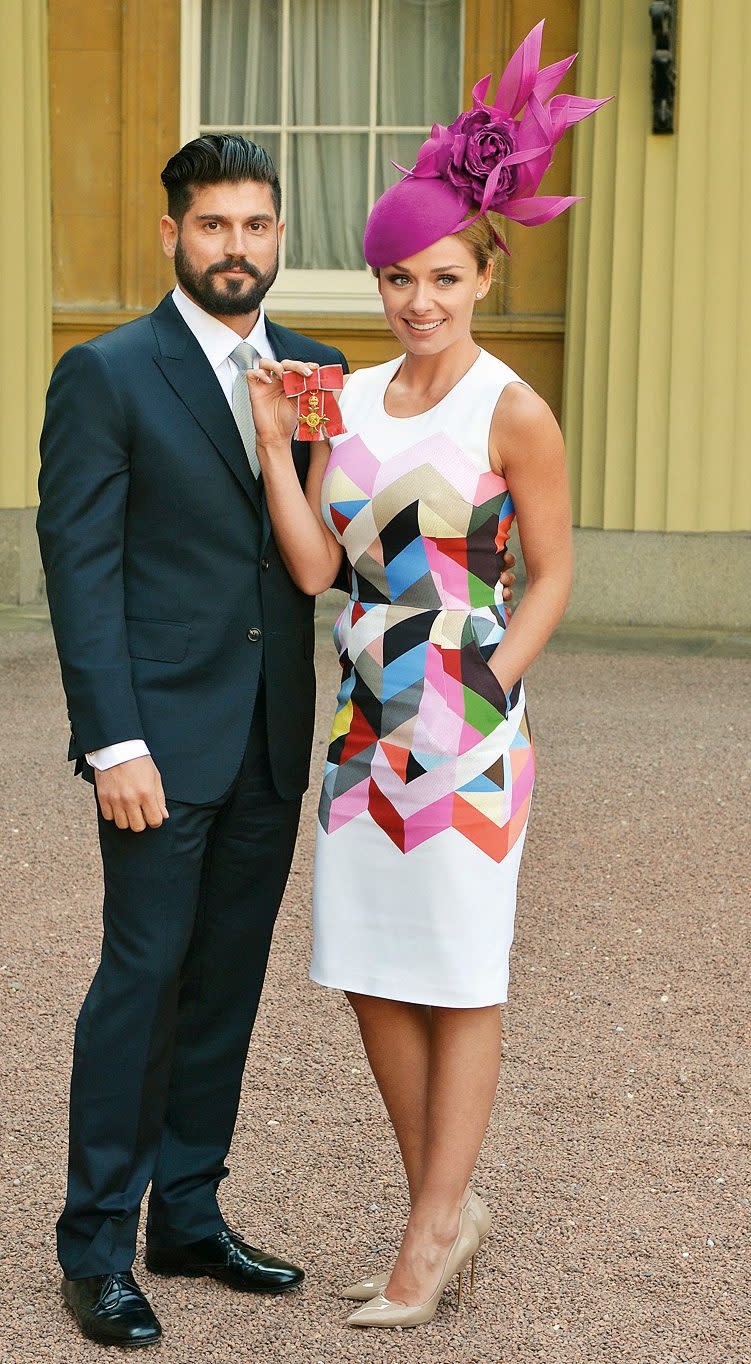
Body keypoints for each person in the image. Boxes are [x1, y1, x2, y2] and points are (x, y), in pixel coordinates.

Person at [36, 128, 523, 1348]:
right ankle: (95, 1243)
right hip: (155, 745)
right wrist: (112, 742)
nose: (235, 247)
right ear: (172, 236)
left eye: (255, 225)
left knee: (226, 988)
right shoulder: (106, 373)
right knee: (140, 983)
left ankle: (188, 1212)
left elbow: (335, 547)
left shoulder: (319, 374)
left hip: (278, 738)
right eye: (212, 225)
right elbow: (79, 570)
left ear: (279, 239)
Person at [245, 21, 610, 1330]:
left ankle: (422, 1237)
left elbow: (555, 571)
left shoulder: (512, 410)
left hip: (467, 722)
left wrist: (495, 683)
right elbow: (310, 572)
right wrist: (278, 446)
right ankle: (444, 1212)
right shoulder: (340, 398)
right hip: (357, 726)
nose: (417, 300)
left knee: (459, 974)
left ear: (480, 274)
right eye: (396, 277)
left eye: (441, 276)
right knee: (366, 970)